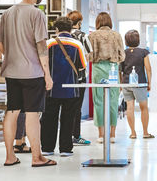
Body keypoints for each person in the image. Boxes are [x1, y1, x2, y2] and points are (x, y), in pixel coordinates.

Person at [0, 0, 56, 167]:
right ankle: (37, 157)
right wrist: (47, 73)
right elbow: (41, 46)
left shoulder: (8, 13)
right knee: (32, 113)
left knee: (12, 111)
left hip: (11, 72)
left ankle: (9, 156)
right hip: (32, 72)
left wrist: (11, 55)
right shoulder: (37, 13)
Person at [41, 17, 87, 156]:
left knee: (49, 117)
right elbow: (82, 66)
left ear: (56, 29)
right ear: (71, 29)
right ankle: (66, 149)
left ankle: (47, 148)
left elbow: (43, 63)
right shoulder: (77, 44)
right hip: (71, 87)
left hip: (51, 87)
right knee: (68, 118)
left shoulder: (49, 43)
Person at [89, 12, 125, 143]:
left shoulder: (92, 35)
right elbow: (122, 56)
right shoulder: (116, 35)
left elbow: (89, 56)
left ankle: (101, 135)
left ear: (97, 22)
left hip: (98, 69)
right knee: (113, 100)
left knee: (98, 100)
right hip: (113, 69)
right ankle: (113, 135)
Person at [120, 30, 154, 139]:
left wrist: (121, 84)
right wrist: (149, 82)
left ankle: (133, 133)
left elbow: (120, 70)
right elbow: (148, 69)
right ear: (138, 40)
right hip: (140, 84)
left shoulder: (123, 53)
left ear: (126, 41)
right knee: (144, 107)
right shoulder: (143, 52)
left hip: (126, 83)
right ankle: (145, 132)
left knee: (129, 108)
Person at [66, 10, 92, 145]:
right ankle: (76, 135)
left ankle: (65, 136)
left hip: (65, 76)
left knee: (66, 106)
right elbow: (88, 56)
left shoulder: (64, 35)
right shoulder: (82, 36)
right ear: (80, 23)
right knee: (77, 107)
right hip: (80, 76)